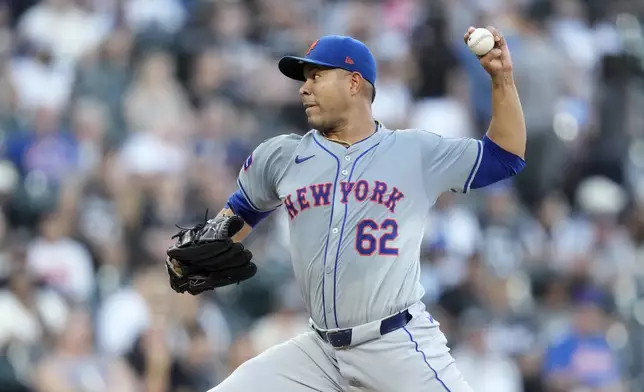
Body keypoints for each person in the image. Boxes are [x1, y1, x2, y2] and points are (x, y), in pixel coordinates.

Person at [203, 27, 526, 392]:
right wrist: (199, 252)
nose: (303, 88)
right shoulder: (283, 156)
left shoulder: (413, 152)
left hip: (394, 344)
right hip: (319, 352)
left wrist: (502, 80)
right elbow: (238, 216)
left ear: (354, 83)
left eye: (316, 76)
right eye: (304, 78)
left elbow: (505, 156)